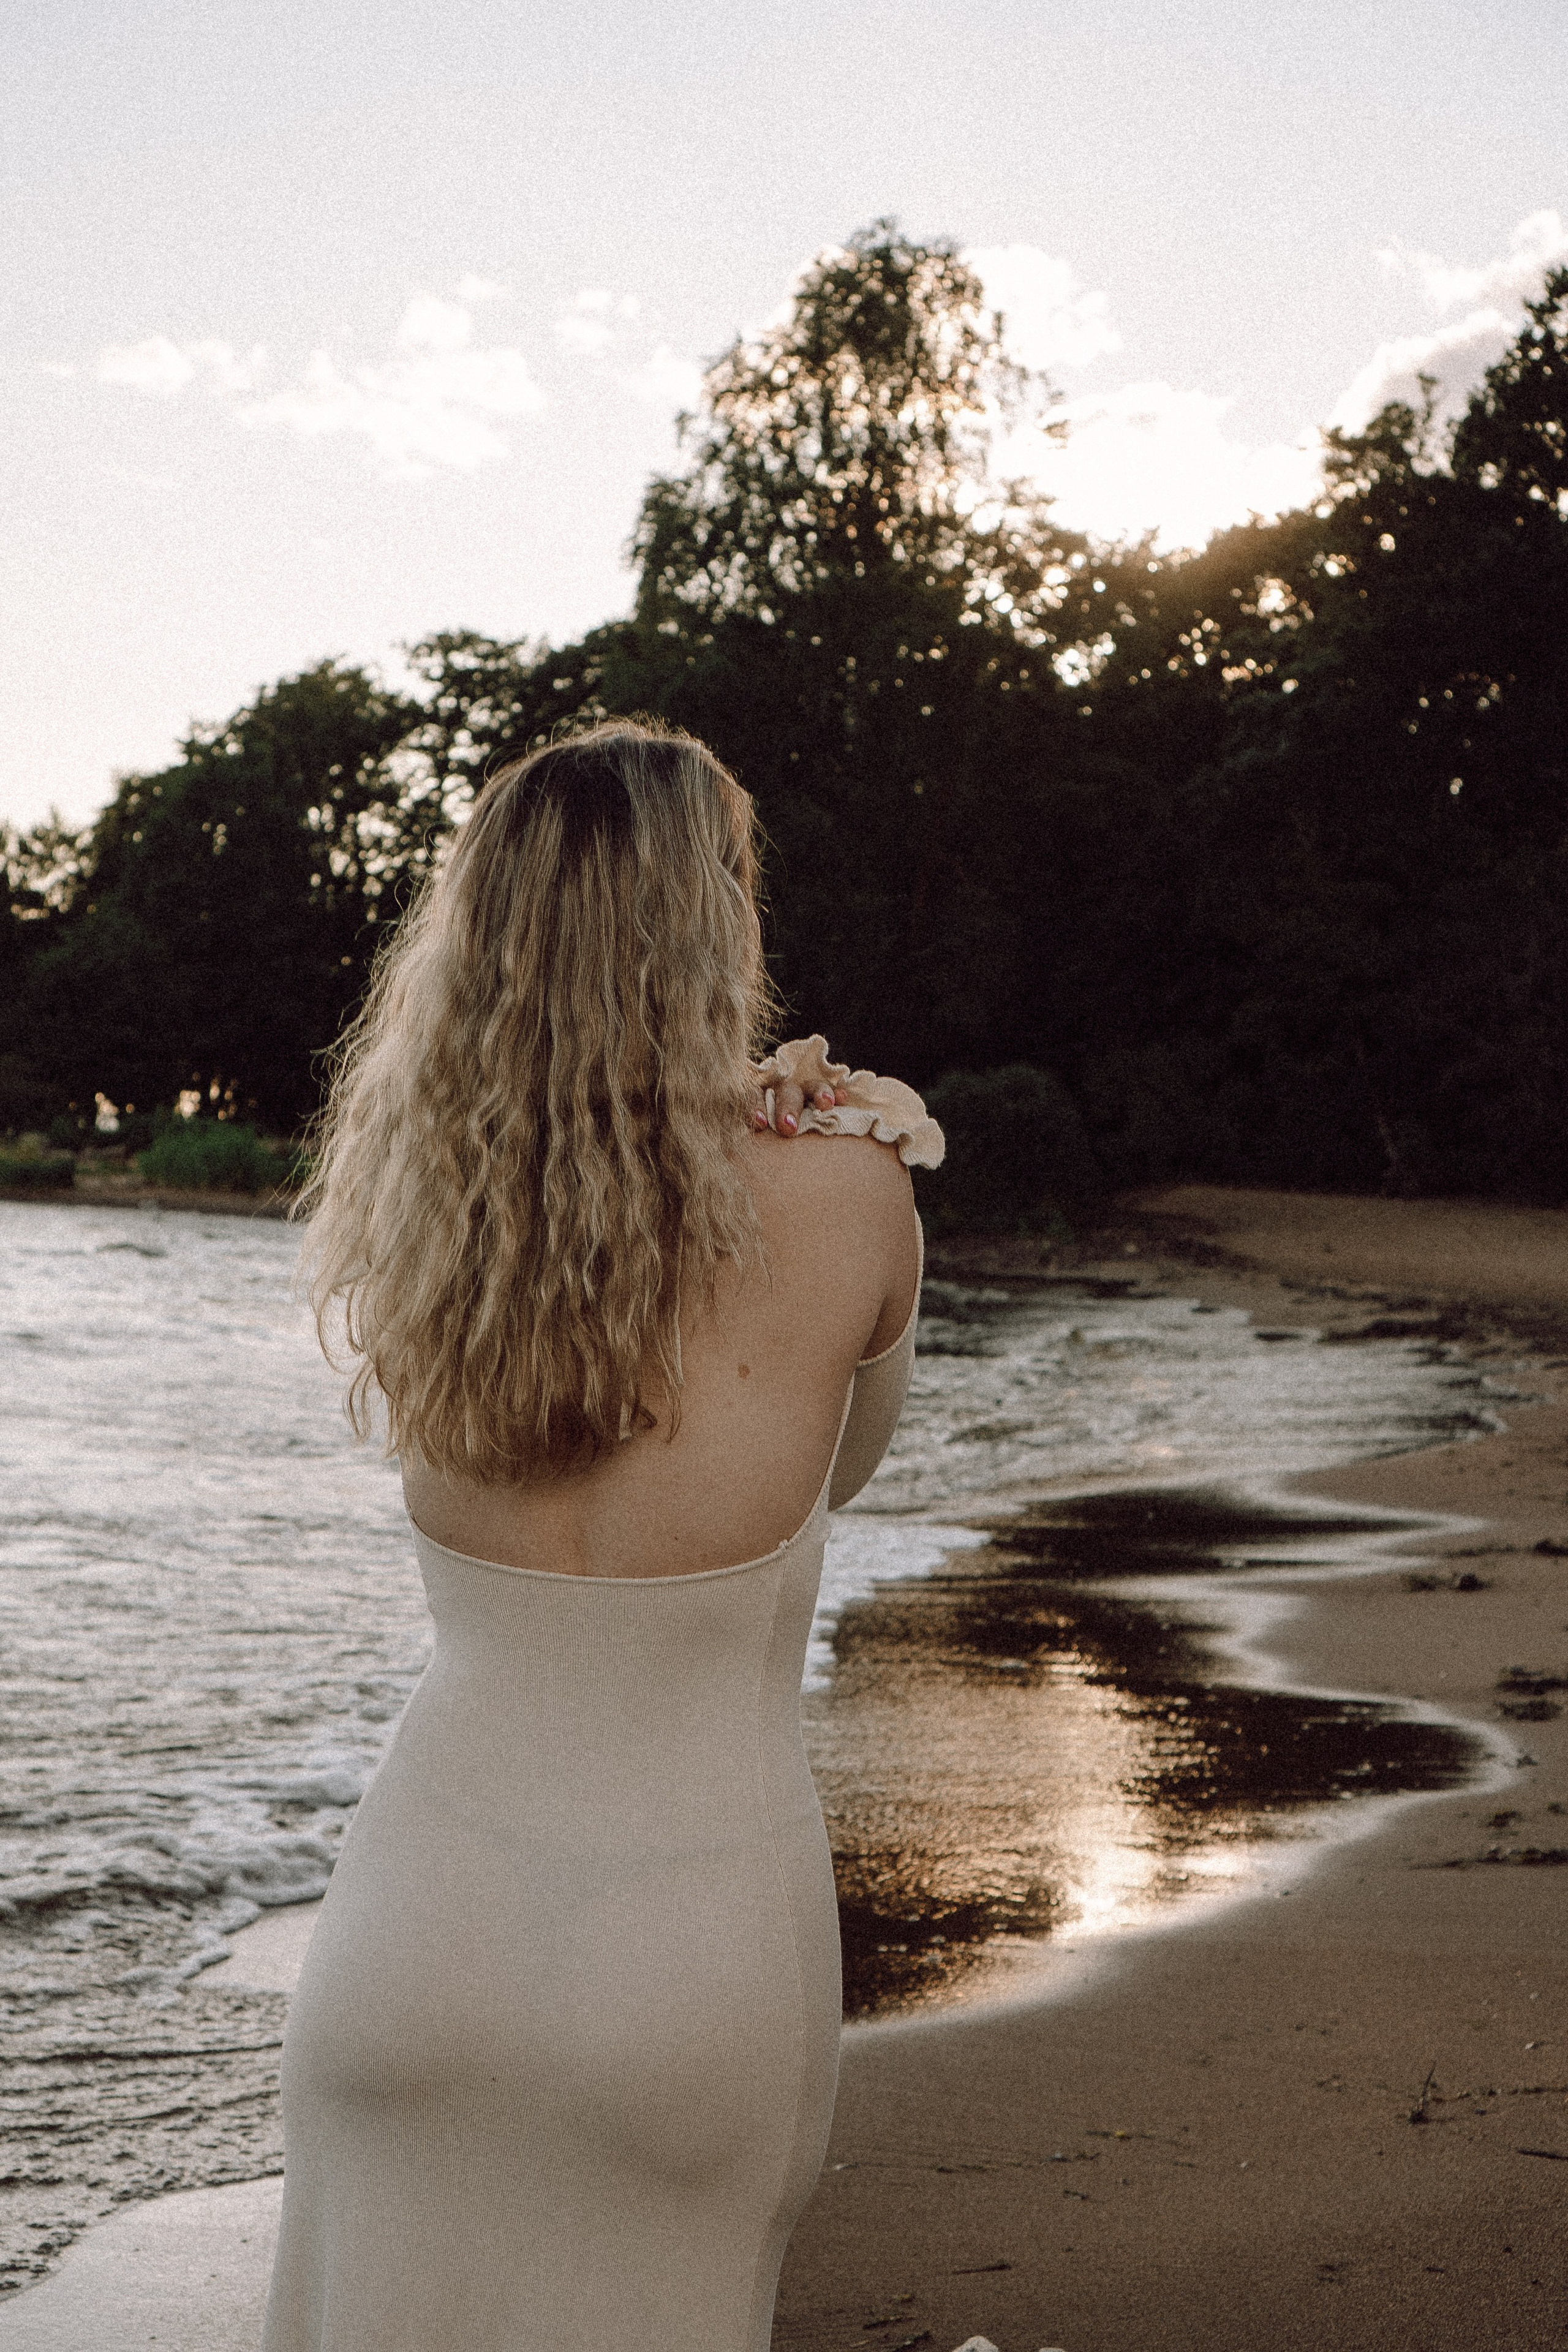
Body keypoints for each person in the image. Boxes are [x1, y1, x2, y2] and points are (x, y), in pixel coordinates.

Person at [260, 719, 941, 2351]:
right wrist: (859, 1121)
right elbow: (841, 1474)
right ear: (715, 917)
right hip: (688, 1960)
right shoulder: (851, 1198)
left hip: (408, 1945)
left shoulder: (432, 1211)